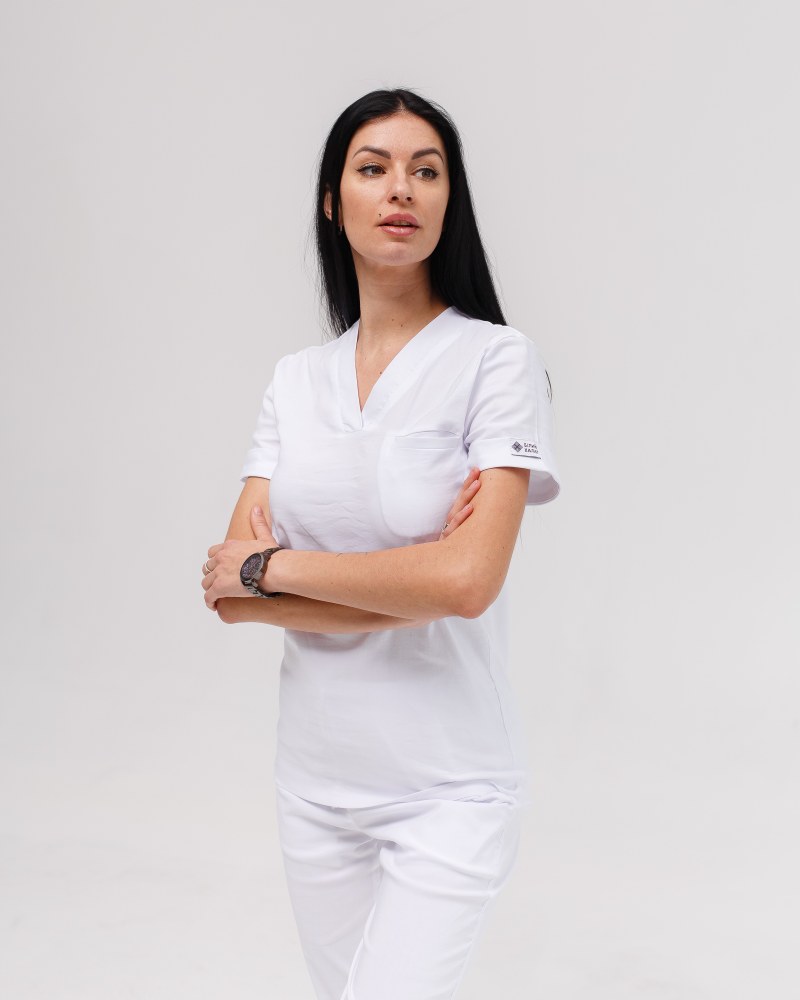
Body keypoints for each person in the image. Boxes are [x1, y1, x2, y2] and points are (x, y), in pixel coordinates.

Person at [200, 88, 561, 1000]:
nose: (401, 188)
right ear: (334, 201)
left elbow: (467, 583)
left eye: (426, 171)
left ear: (449, 201)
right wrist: (408, 582)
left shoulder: (496, 361)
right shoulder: (295, 381)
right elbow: (230, 595)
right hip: (314, 787)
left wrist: (277, 568)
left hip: (449, 787)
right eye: (374, 168)